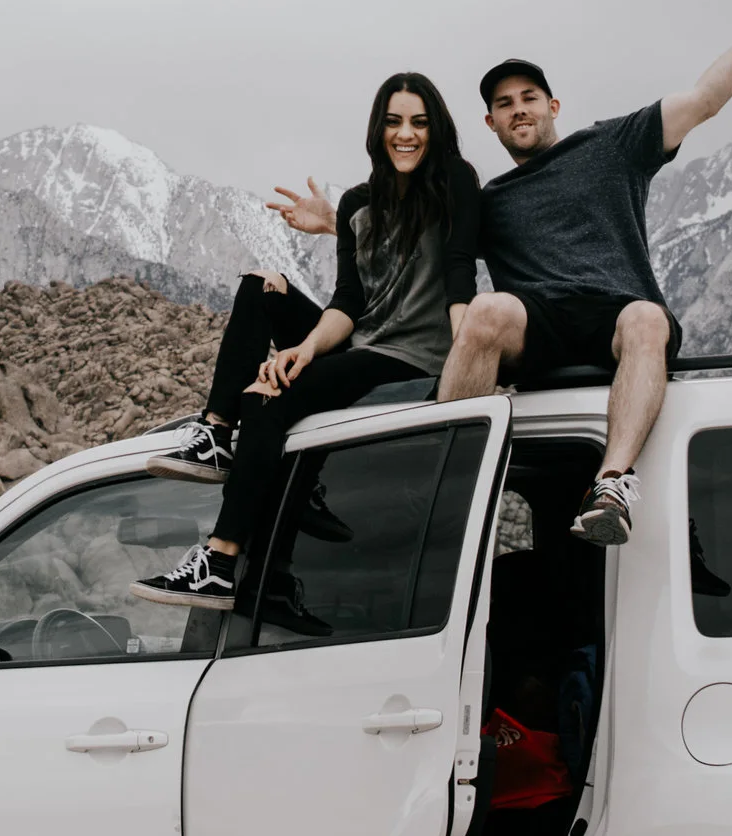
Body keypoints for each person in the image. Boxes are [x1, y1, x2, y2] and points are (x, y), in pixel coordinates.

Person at [441, 0, 732, 547]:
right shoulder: (488, 198)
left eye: (528, 96)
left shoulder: (609, 145)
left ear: (553, 107)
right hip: (537, 323)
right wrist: (337, 222)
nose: (517, 107)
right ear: (491, 124)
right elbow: (420, 241)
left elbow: (704, 98)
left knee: (649, 319)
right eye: (503, 103)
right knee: (486, 310)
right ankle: (447, 479)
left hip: (615, 312)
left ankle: (612, 485)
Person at [132, 71, 483, 610]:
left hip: (411, 358)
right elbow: (347, 303)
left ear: (436, 129)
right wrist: (306, 348)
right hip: (361, 341)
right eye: (393, 122)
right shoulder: (358, 206)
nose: (405, 134)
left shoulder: (456, 181)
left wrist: (470, 351)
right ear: (377, 131)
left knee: (268, 396)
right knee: (259, 288)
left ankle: (221, 562)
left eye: (418, 122)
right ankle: (215, 434)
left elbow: (460, 272)